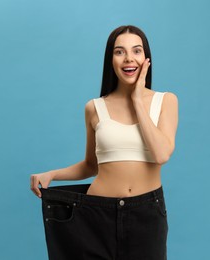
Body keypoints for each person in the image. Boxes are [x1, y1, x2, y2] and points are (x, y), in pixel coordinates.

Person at [30, 25, 178, 260]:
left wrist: (138, 100)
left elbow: (161, 154)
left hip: (146, 215)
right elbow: (91, 165)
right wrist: (52, 174)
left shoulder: (166, 101)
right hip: (95, 214)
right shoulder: (94, 107)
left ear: (146, 58)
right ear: (111, 59)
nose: (129, 58)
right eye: (119, 52)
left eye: (136, 50)